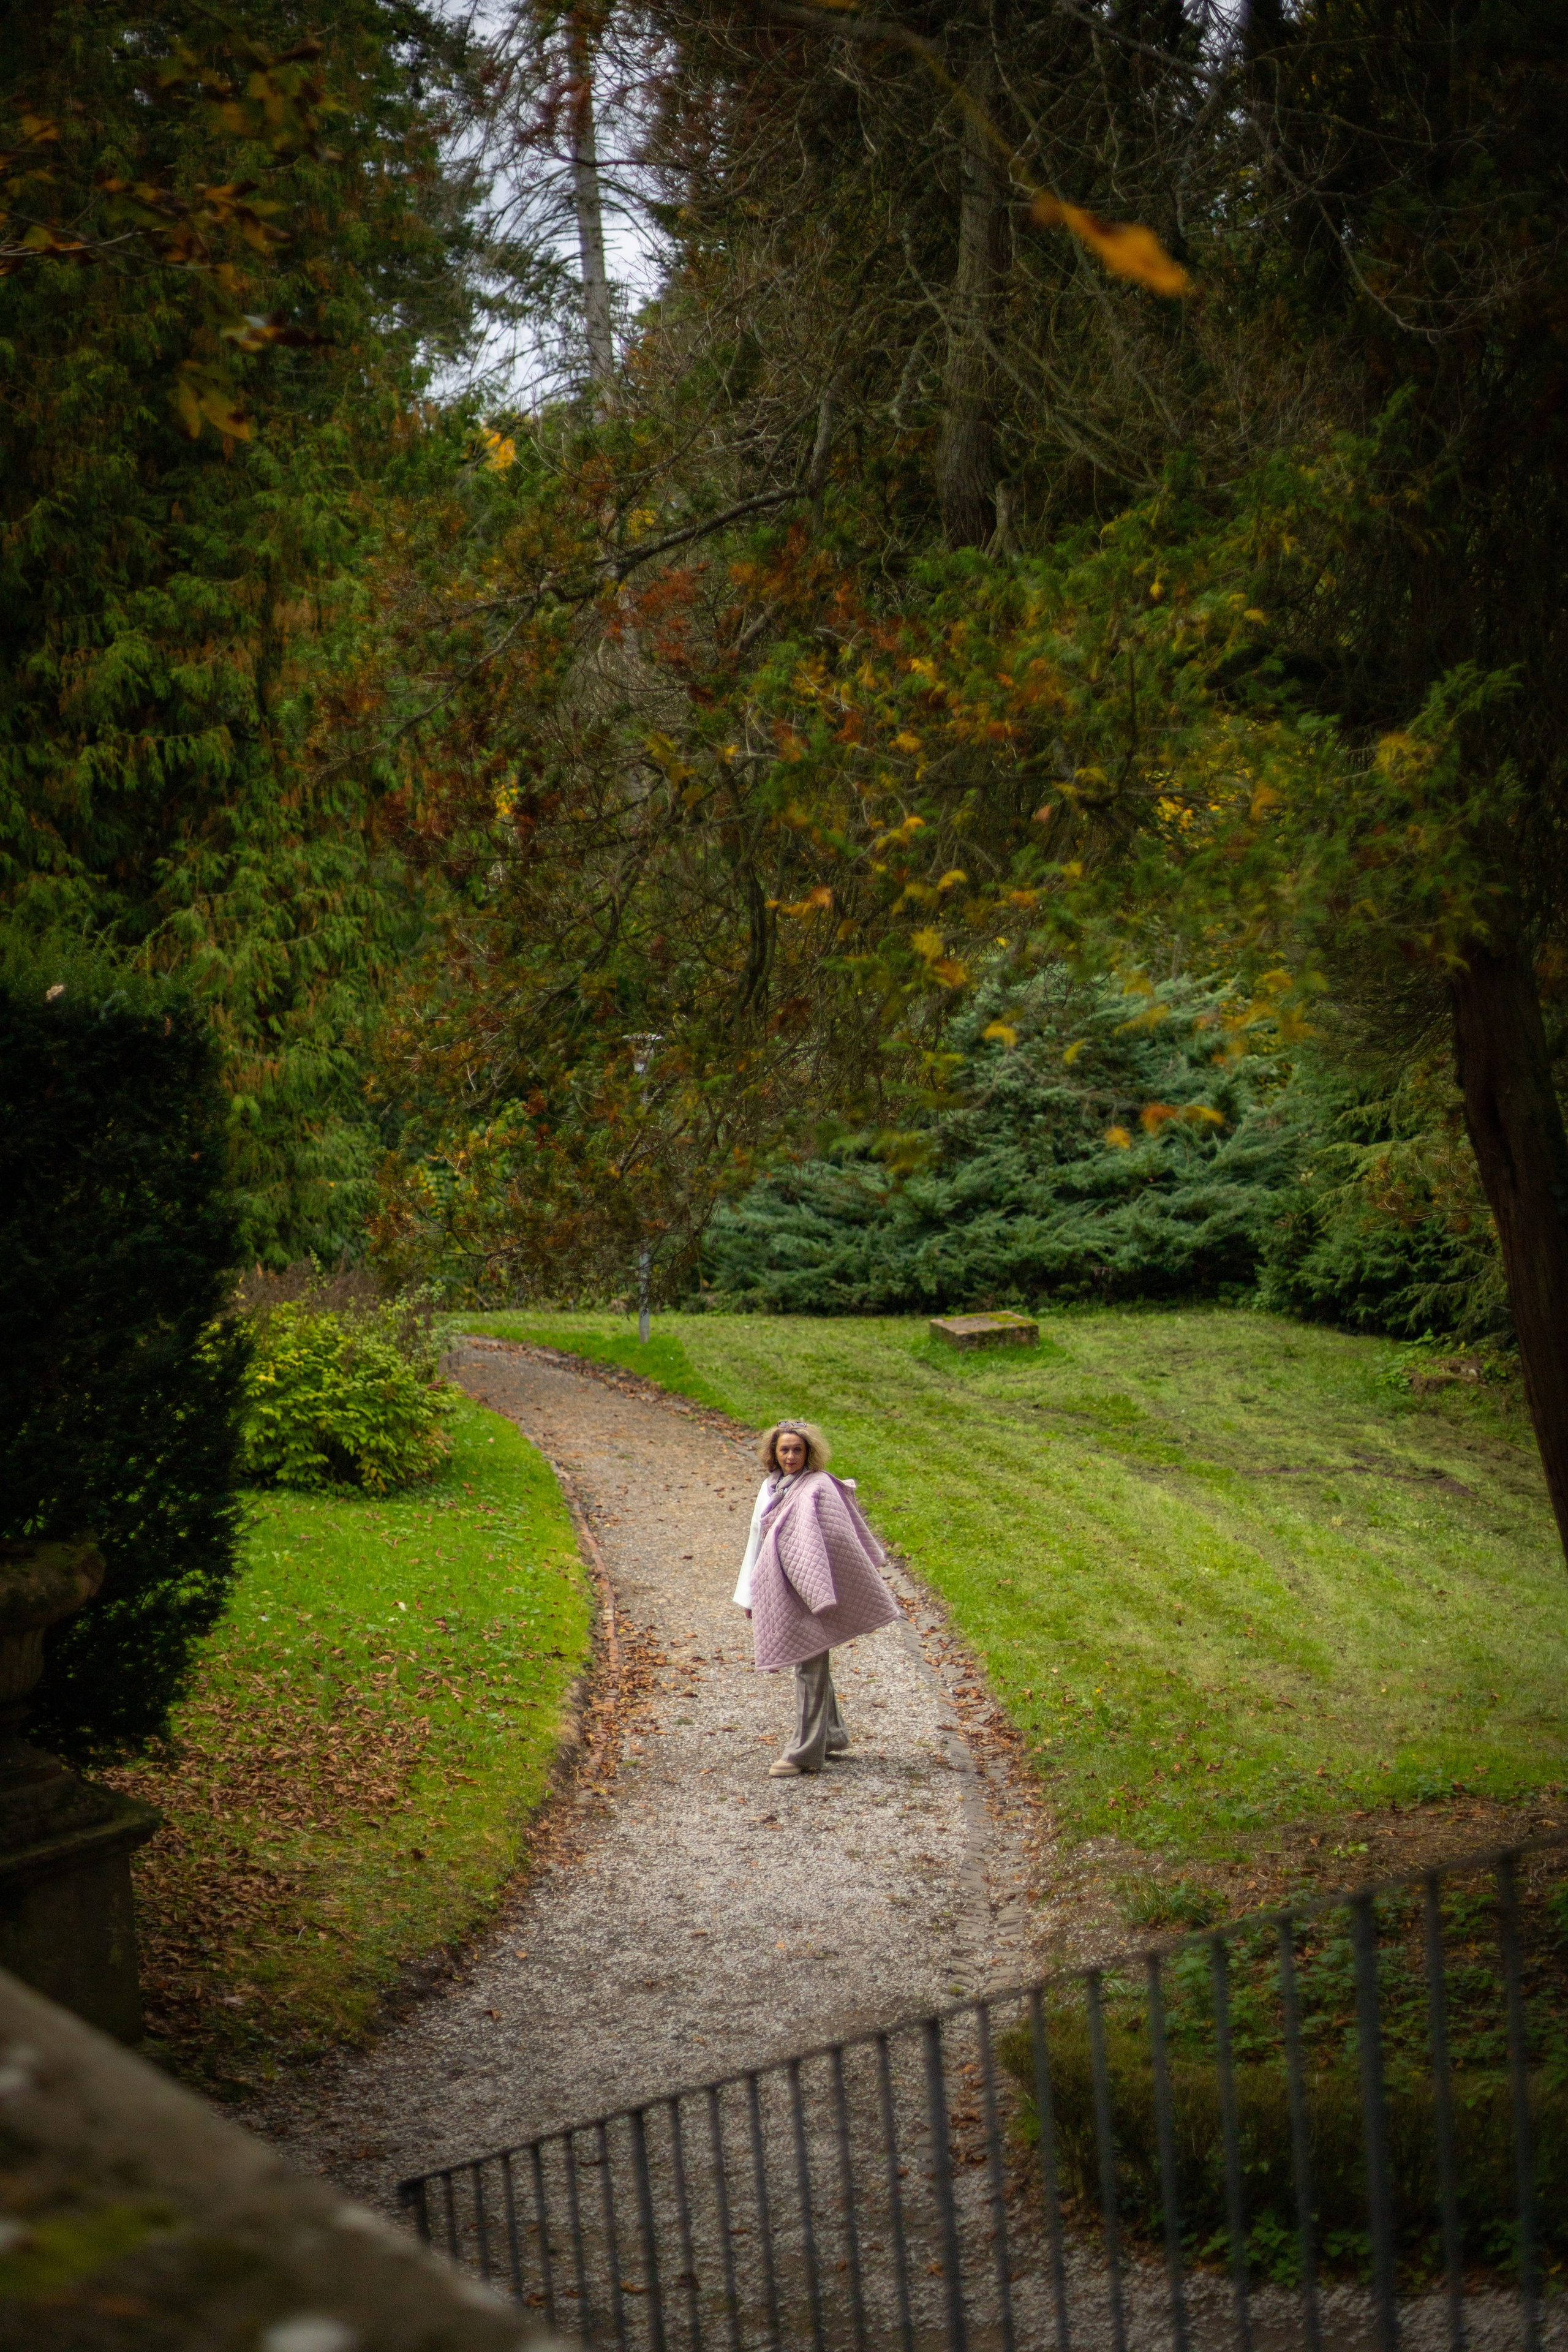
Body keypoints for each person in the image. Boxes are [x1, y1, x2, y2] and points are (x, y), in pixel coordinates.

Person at [733, 1420, 903, 1777]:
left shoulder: (819, 1486)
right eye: (784, 1450)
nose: (791, 1456)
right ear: (773, 1453)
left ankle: (804, 1752)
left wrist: (819, 1585)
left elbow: (839, 1537)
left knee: (809, 1666)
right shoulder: (770, 1486)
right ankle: (832, 1734)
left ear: (809, 1452)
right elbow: (756, 1539)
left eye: (798, 1450)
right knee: (811, 1664)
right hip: (779, 1586)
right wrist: (751, 1593)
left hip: (813, 1588)